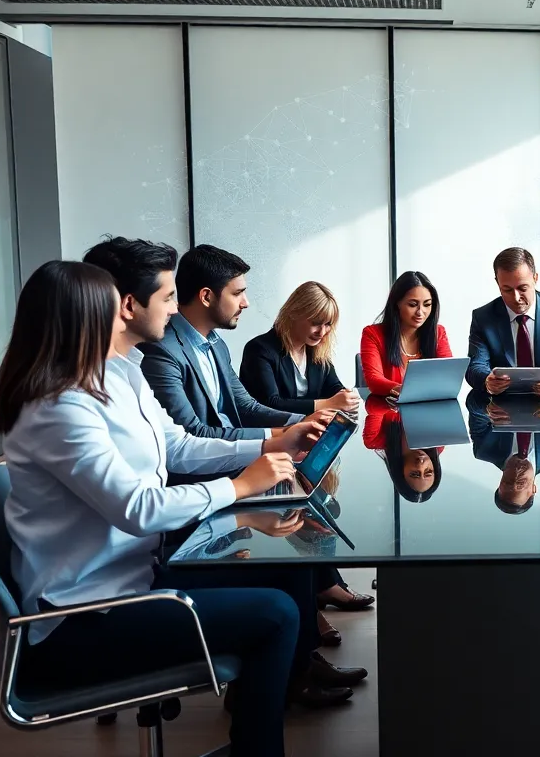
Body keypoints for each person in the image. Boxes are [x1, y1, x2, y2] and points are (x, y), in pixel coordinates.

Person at [0, 262, 361, 757]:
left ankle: (274, 697)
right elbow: (138, 508)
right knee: (275, 613)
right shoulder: (58, 408)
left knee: (289, 571)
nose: (133, 314)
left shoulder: (118, 377)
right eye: (115, 305)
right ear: (85, 318)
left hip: (137, 576)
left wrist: (272, 444)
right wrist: (238, 488)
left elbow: (179, 447)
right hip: (87, 615)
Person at [87, 240, 371, 639]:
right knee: (296, 511)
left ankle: (307, 642)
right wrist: (256, 467)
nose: (171, 309)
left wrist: (296, 427)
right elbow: (188, 443)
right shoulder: (155, 356)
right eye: (167, 297)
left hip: (192, 492)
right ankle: (308, 625)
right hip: (167, 520)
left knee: (304, 502)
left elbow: (237, 409)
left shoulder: (167, 358)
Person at [138, 244, 317, 442]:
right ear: (206, 296)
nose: (245, 302)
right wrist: (278, 435)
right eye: (237, 293)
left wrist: (304, 421)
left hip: (236, 454)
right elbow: (193, 433)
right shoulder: (161, 351)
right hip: (208, 466)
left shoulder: (216, 344)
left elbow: (247, 406)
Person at [467, 247, 540, 398]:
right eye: (507, 290)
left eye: (523, 288)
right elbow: (475, 365)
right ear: (498, 283)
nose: (516, 298)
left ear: (535, 278)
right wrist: (487, 380)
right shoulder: (483, 317)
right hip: (502, 405)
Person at [240, 281, 361, 416]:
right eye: (315, 323)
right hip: (273, 433)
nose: (321, 333)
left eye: (328, 324)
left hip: (310, 429)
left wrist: (345, 397)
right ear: (293, 313)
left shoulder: (316, 349)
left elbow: (333, 387)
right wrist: (329, 404)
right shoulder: (258, 349)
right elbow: (269, 403)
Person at [467, 389, 540, 514]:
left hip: (503, 383)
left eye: (508, 481)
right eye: (521, 482)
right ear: (534, 488)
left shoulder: (484, 450)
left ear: (500, 483)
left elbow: (473, 401)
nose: (516, 473)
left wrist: (486, 409)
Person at [360, 271, 453, 398]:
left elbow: (449, 375)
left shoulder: (438, 332)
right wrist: (405, 391)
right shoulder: (372, 334)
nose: (420, 312)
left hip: (430, 410)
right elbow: (374, 380)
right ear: (397, 303)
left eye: (427, 304)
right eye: (413, 305)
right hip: (388, 411)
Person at [363, 395, 444, 502]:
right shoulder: (437, 445)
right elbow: (439, 406)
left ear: (400, 473)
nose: (421, 463)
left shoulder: (375, 441)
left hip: (387, 384)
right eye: (428, 471)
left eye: (414, 473)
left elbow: (372, 404)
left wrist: (392, 403)